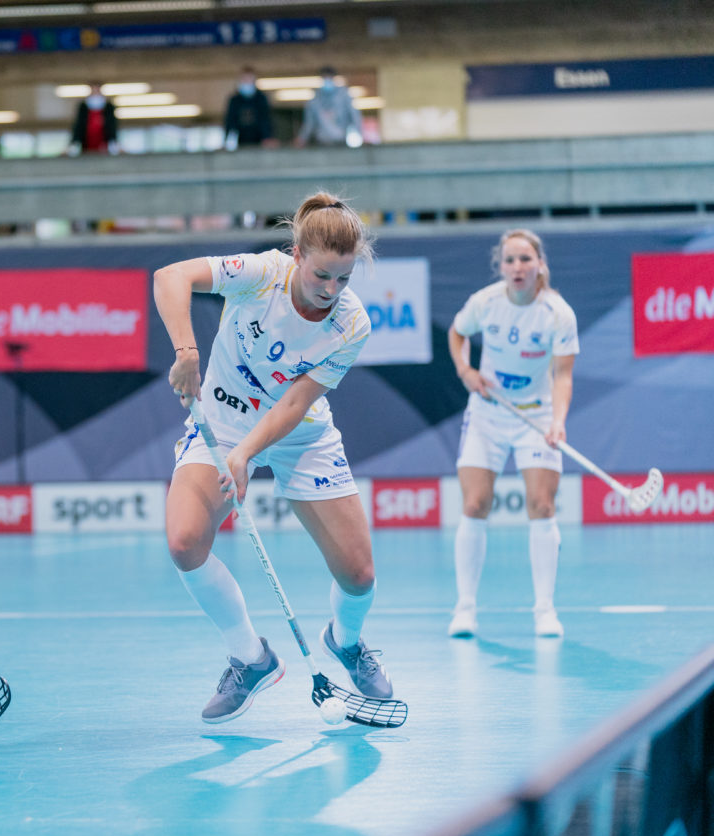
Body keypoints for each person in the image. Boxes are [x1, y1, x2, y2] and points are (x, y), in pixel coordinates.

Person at [155, 191, 393, 724]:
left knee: (358, 574)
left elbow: (293, 404)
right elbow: (169, 277)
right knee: (184, 541)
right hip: (221, 418)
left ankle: (347, 642)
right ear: (298, 255)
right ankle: (250, 657)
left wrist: (245, 455)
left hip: (299, 434)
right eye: (321, 276)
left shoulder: (351, 325)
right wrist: (187, 354)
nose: (330, 290)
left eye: (343, 280)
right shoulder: (261, 273)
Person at [447, 229, 579, 639]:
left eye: (525, 259)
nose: (517, 267)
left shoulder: (558, 313)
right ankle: (465, 609)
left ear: (540, 264)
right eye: (510, 260)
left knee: (542, 505)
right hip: (488, 412)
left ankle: (545, 611)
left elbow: (563, 376)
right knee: (475, 503)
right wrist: (466, 371)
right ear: (500, 266)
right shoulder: (485, 303)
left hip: (536, 416)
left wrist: (557, 421)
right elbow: (457, 333)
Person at [293, 67, 362, 148]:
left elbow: (354, 115)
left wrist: (359, 133)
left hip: (341, 140)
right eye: (325, 78)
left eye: (329, 78)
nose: (327, 80)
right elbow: (309, 122)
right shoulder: (315, 99)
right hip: (322, 140)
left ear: (334, 78)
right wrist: (302, 138)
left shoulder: (344, 95)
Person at [223, 67, 276, 150]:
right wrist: (228, 140)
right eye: (244, 80)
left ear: (254, 81)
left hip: (259, 140)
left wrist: (267, 137)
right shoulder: (234, 100)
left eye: (249, 79)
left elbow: (265, 119)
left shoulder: (261, 98)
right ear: (240, 80)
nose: (247, 82)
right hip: (240, 140)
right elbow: (230, 121)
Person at [68, 83, 118, 156]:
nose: (95, 92)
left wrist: (113, 141)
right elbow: (79, 125)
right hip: (86, 142)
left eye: (97, 90)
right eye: (93, 90)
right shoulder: (83, 107)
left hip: (103, 141)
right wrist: (74, 142)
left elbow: (112, 125)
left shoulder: (108, 107)